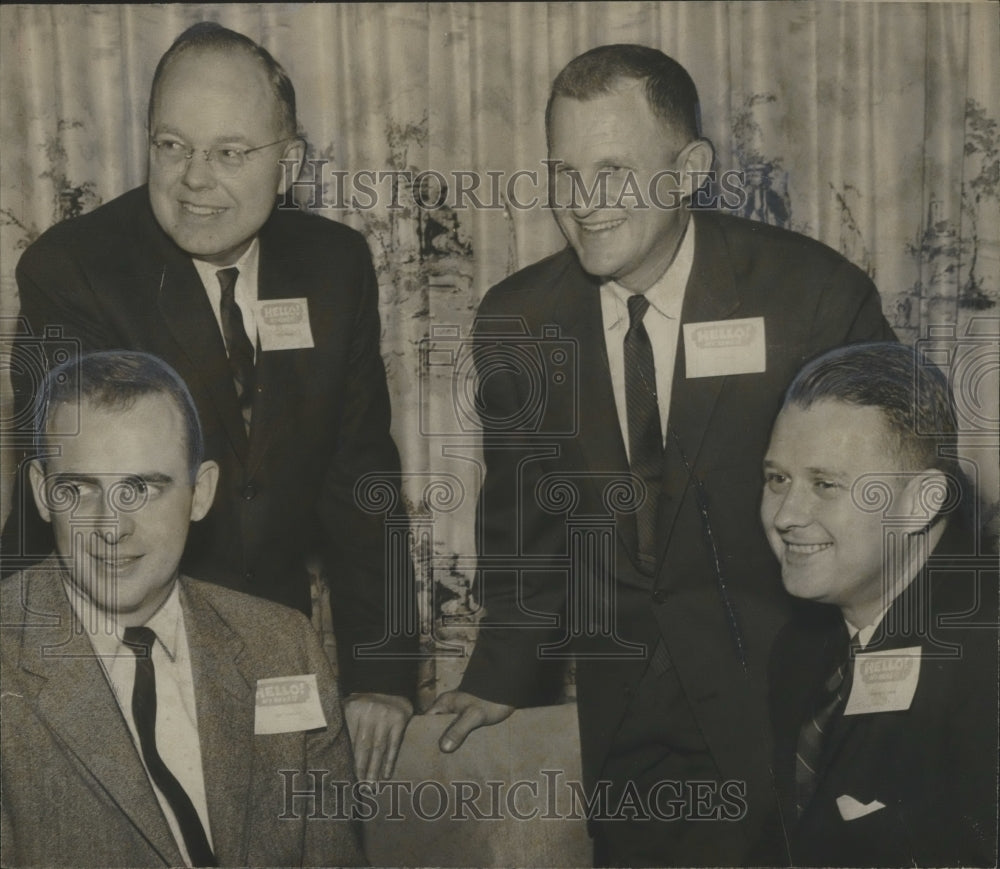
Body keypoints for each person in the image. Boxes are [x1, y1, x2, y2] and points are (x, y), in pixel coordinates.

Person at [429, 44, 896, 866]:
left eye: (613, 171)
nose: (584, 205)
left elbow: (903, 501)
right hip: (631, 721)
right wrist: (501, 671)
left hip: (801, 698)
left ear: (689, 169)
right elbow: (526, 526)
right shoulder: (519, 323)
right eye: (563, 174)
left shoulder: (812, 297)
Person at [6, 22, 414, 780]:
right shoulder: (74, 272)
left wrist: (383, 675)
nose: (195, 178)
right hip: (102, 653)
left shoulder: (334, 267)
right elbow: (96, 513)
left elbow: (362, 481)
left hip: (277, 656)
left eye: (230, 152)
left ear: (287, 162)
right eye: (171, 145)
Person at [0, 351, 366, 867]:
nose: (112, 527)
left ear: (202, 493)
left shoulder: (283, 645)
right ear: (42, 494)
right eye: (79, 490)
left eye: (143, 488)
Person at [759, 342, 998, 867]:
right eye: (778, 479)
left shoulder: (987, 660)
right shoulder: (800, 645)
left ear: (921, 502)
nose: (785, 515)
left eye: (825, 484)